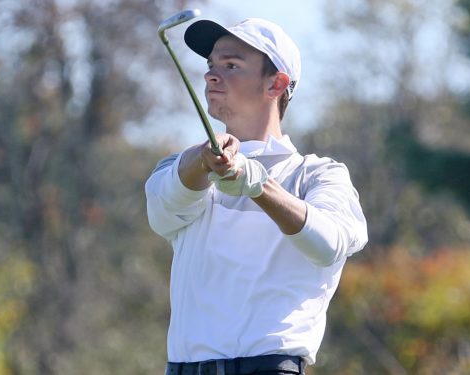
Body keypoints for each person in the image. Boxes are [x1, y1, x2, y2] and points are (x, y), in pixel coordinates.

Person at [146, 17, 368, 375]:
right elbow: (162, 213)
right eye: (210, 66)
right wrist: (205, 159)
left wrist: (257, 185)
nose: (210, 76)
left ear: (276, 83)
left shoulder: (318, 175)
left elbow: (328, 244)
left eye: (231, 65)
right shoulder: (183, 167)